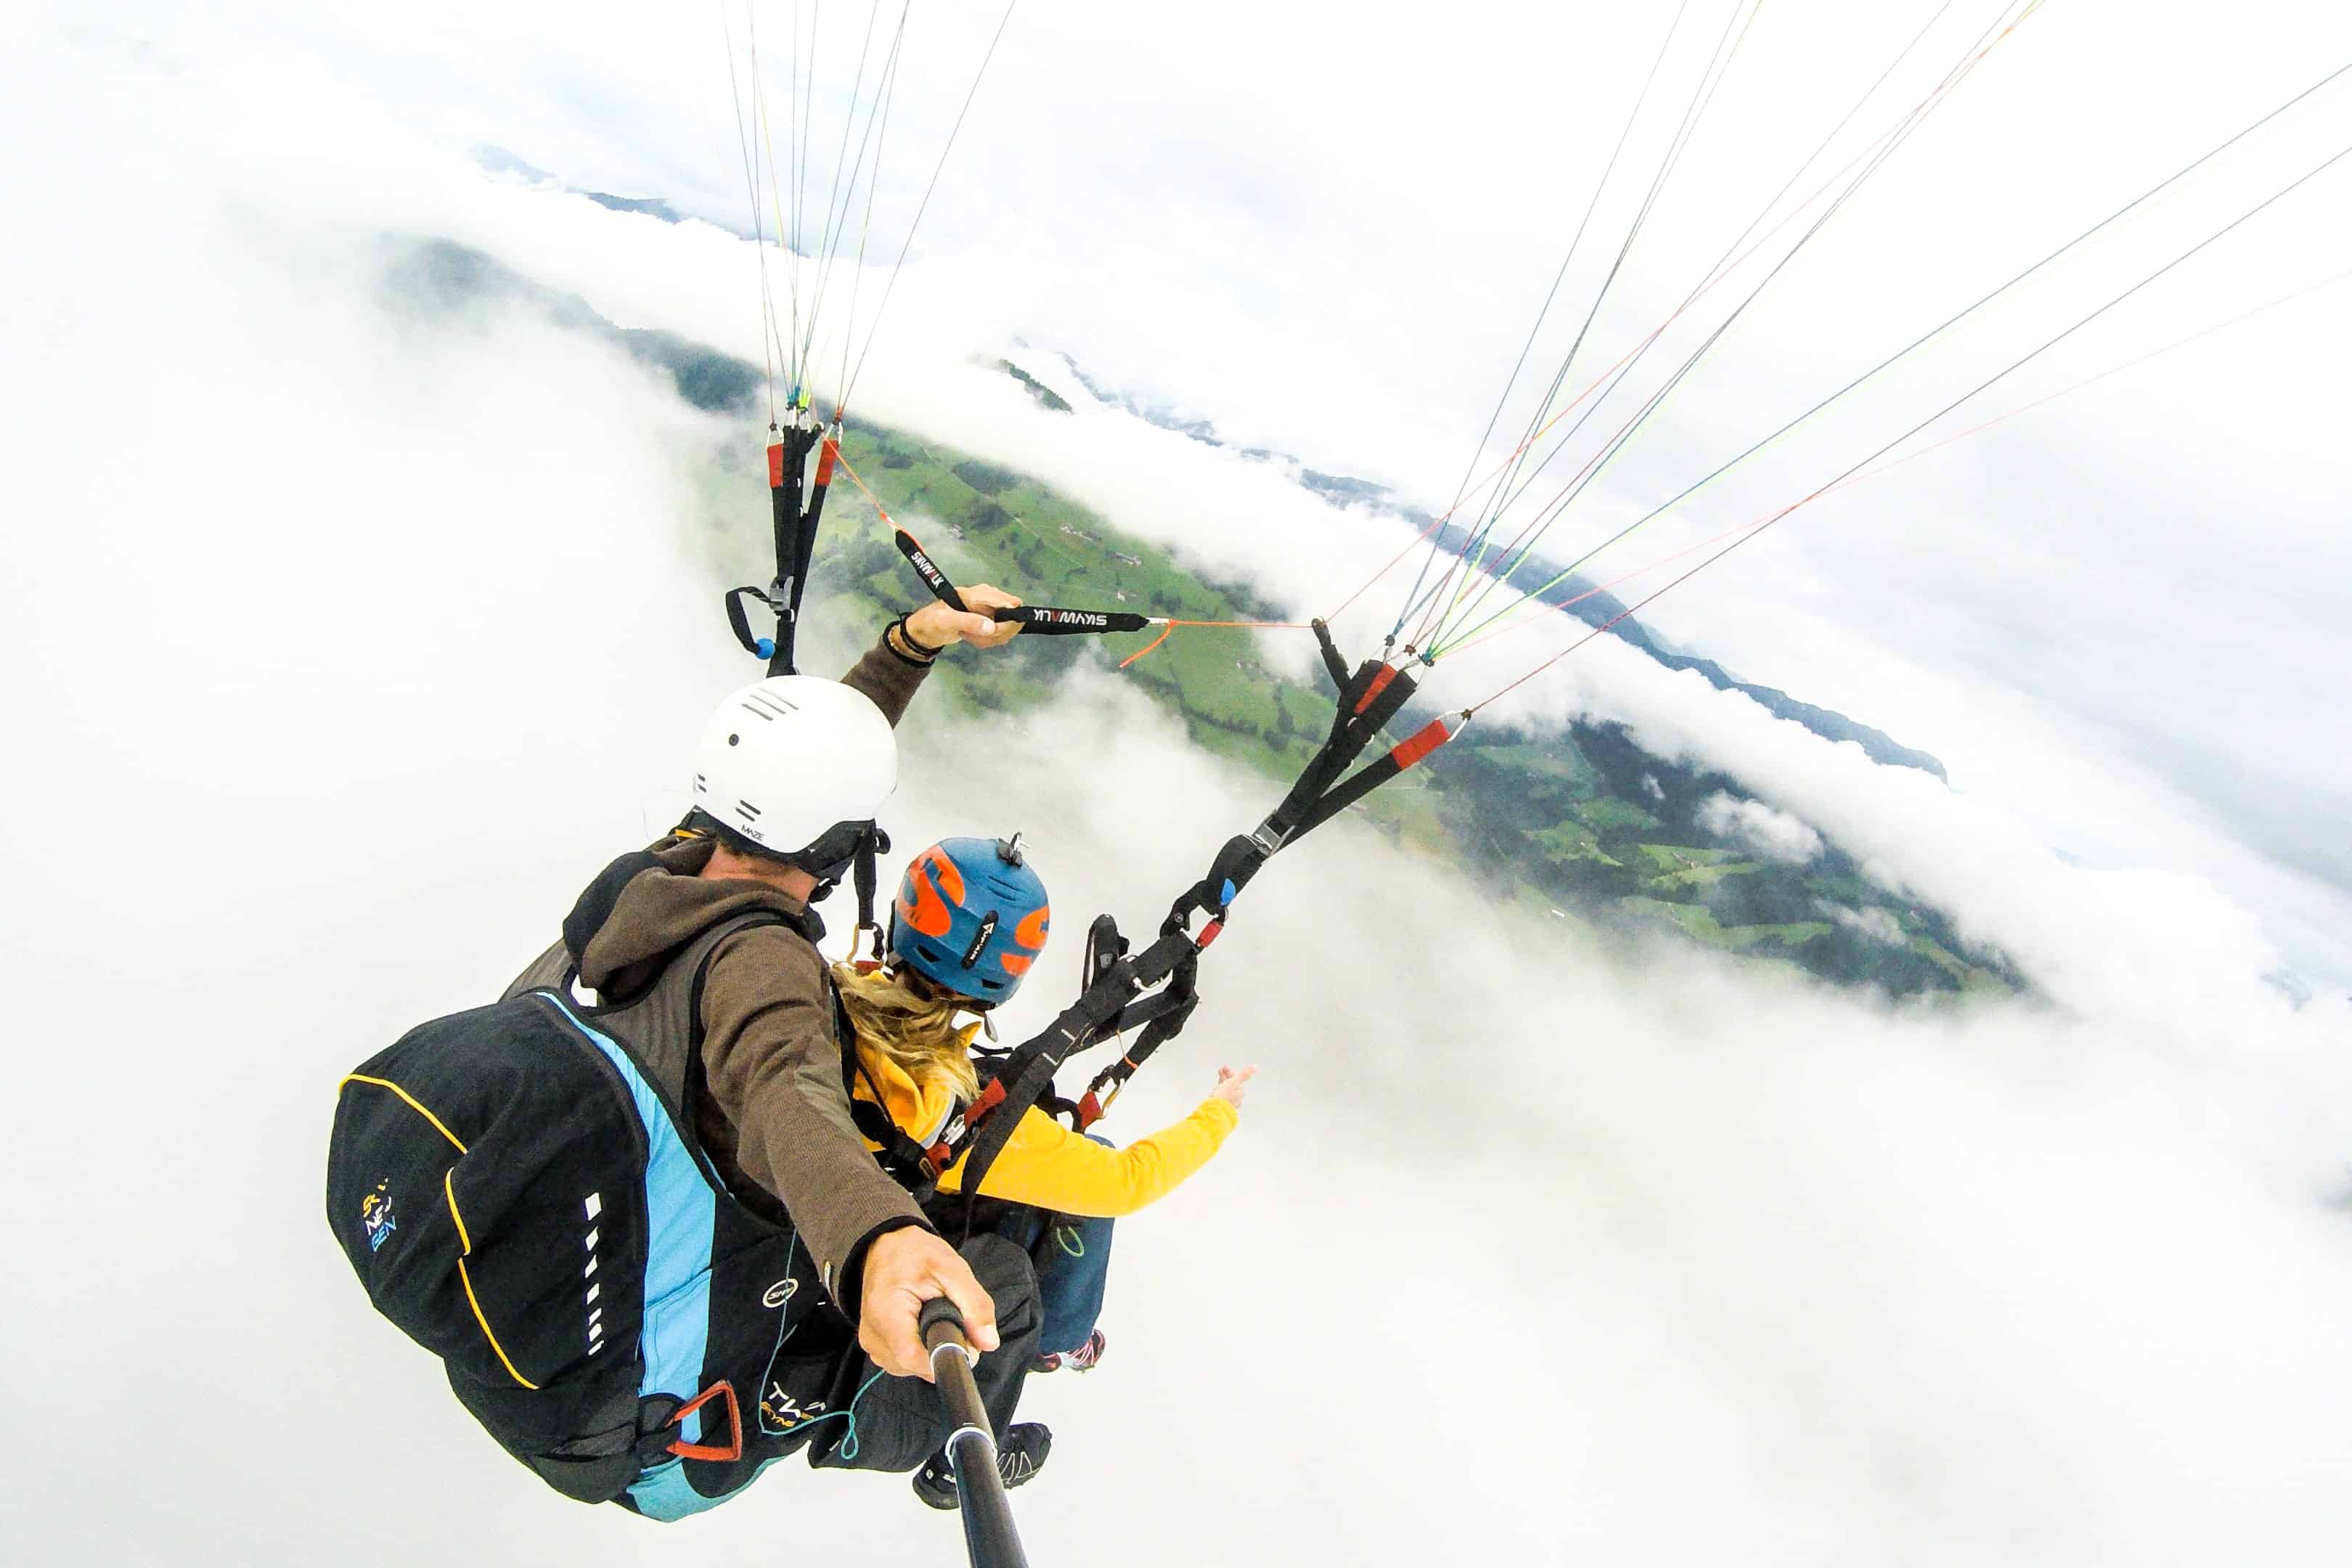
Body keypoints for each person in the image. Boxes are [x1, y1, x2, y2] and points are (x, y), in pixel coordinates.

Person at [539, 595, 1050, 1495]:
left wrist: (912, 644)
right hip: (677, 1392)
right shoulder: (763, 963)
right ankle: (926, 1457)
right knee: (1002, 1274)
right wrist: (878, 1237)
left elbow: (802, 776)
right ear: (842, 845)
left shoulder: (659, 875)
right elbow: (785, 1094)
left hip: (593, 1248)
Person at [831, 833, 1257, 1508]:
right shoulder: (962, 1110)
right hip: (886, 1289)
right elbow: (1128, 1184)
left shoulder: (818, 1002)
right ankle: (1047, 1353)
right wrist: (1220, 1113)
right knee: (1087, 1179)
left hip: (834, 1229)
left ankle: (1063, 1339)